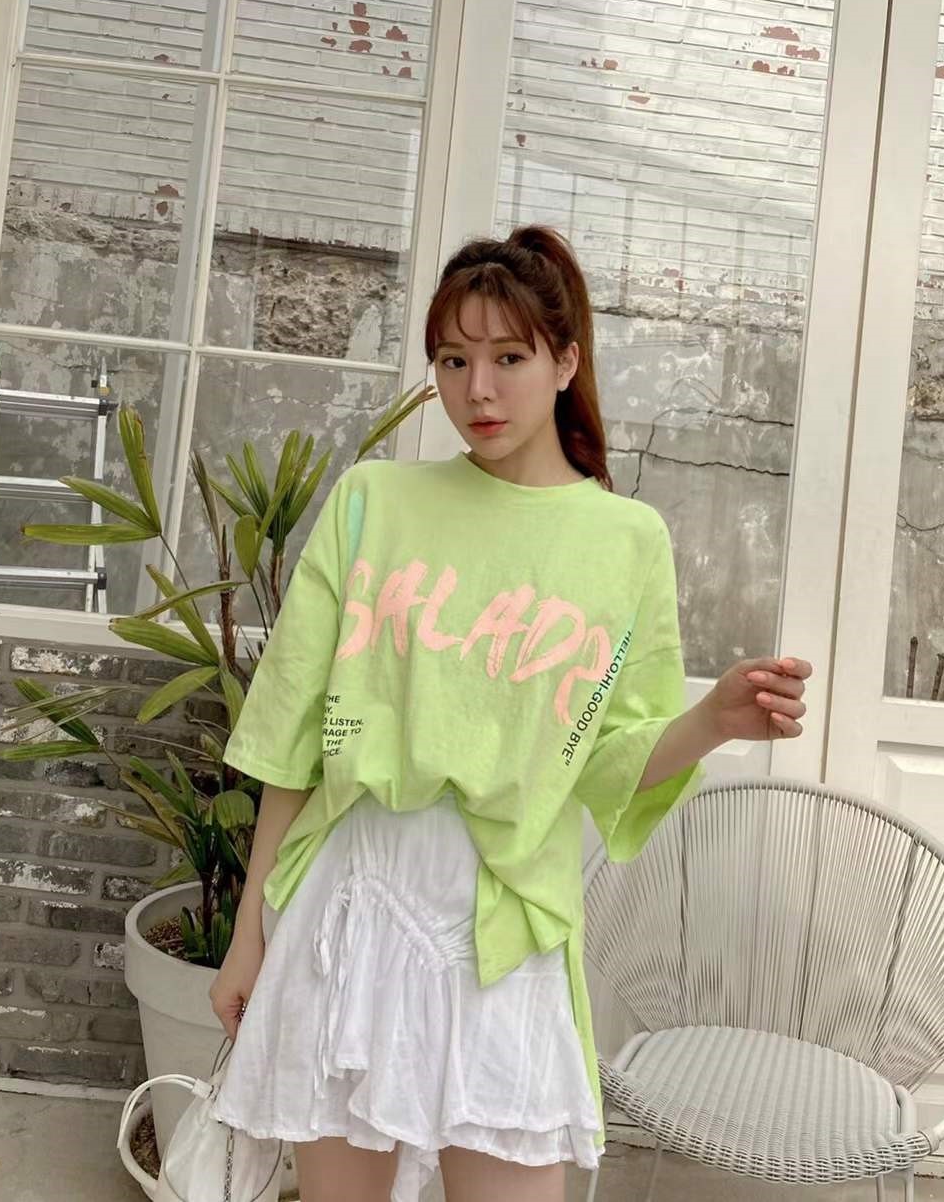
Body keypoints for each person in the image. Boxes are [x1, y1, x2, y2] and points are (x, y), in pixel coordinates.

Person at [208, 225, 812, 1202]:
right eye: (453, 360)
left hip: (499, 927)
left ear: (566, 362)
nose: (477, 391)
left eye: (508, 358)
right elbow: (293, 741)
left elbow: (606, 758)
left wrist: (714, 719)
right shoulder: (374, 503)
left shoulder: (625, 540)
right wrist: (249, 933)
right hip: (353, 908)